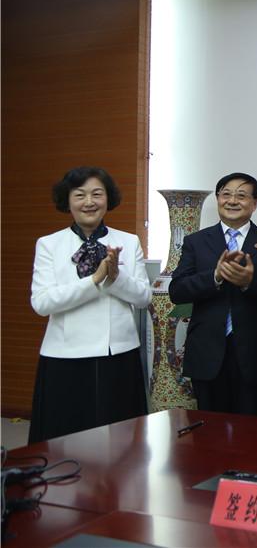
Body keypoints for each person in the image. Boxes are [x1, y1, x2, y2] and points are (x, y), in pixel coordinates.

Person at [28, 167, 152, 443]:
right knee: (64, 441)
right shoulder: (49, 244)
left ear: (108, 199)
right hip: (64, 355)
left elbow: (144, 297)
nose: (89, 202)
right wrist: (94, 280)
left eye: (97, 194)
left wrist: (116, 278)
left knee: (121, 441)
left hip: (117, 354)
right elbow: (42, 302)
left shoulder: (128, 241)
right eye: (80, 195)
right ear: (67, 200)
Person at [169, 173, 257, 415]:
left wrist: (250, 282)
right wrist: (215, 277)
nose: (232, 200)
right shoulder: (196, 242)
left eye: (241, 195)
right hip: (207, 352)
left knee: (252, 430)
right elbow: (177, 291)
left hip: (254, 352)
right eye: (226, 194)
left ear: (255, 203)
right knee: (210, 428)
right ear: (218, 199)